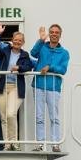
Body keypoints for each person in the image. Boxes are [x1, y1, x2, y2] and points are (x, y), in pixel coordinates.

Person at [0, 29, 33, 150]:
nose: (17, 42)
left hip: (16, 87)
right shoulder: (5, 51)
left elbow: (29, 66)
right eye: (15, 40)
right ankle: (7, 144)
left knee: (11, 114)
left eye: (20, 40)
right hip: (2, 86)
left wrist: (19, 67)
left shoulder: (25, 55)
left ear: (23, 42)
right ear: (12, 41)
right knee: (3, 117)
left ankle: (14, 142)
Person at [30, 24, 70, 152]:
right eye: (51, 32)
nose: (54, 34)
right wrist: (41, 39)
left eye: (56, 32)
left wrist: (50, 67)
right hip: (39, 85)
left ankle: (55, 144)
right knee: (39, 116)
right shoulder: (42, 46)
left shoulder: (64, 53)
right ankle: (40, 144)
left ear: (60, 35)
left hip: (53, 87)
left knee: (54, 117)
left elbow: (63, 69)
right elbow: (33, 53)